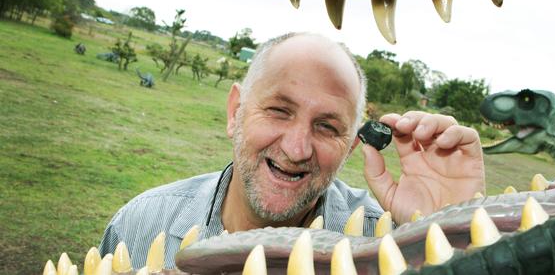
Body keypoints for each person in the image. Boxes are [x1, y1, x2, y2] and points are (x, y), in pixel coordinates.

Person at [99, 32, 485, 268]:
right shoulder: (139, 225)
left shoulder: (391, 245)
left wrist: (452, 233)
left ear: (351, 146)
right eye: (279, 111)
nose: (298, 149)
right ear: (236, 112)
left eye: (327, 126)